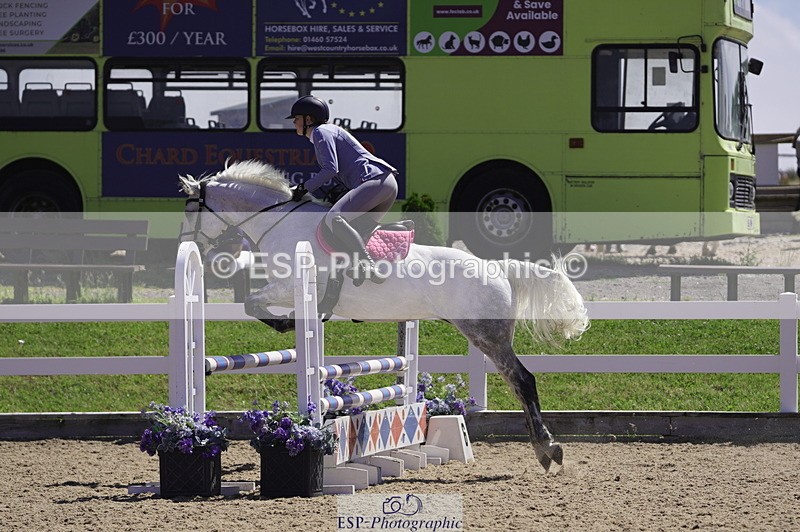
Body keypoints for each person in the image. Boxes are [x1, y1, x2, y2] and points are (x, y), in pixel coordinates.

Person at [287, 95, 398, 283]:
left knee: (333, 219)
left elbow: (330, 169)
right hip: (386, 185)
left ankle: (367, 264)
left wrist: (303, 188)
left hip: (374, 181)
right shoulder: (327, 131)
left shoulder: (321, 132)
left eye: (296, 118)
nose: (294, 123)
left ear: (308, 119)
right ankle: (359, 267)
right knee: (354, 230)